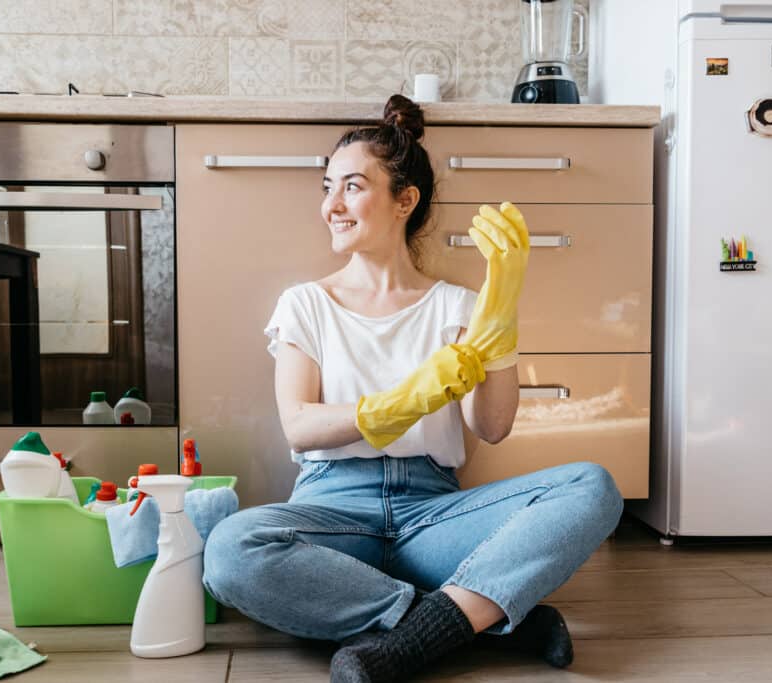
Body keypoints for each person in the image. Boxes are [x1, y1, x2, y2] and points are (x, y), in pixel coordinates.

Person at [203, 94, 624, 683]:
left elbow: (493, 426)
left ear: (405, 200)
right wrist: (402, 401)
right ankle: (465, 621)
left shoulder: (458, 307)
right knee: (230, 549)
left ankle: (413, 629)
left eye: (351, 187)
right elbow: (299, 424)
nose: (331, 206)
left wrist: (498, 312)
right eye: (328, 188)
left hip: (434, 512)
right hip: (332, 512)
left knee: (592, 486)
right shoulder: (306, 304)